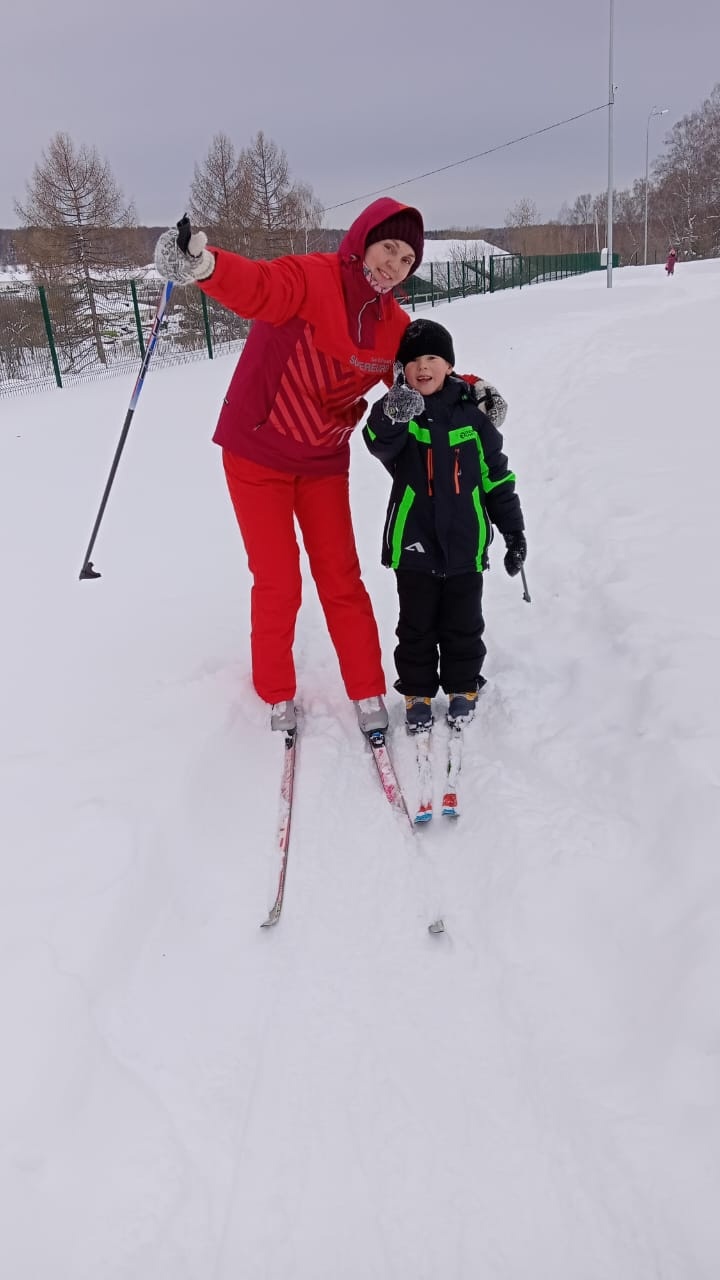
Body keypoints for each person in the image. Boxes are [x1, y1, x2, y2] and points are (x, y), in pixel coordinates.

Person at [154, 202, 507, 737]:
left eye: (408, 258)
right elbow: (259, 287)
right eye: (389, 247)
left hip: (322, 459)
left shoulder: (394, 327)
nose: (394, 264)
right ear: (364, 240)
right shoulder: (310, 278)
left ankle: (366, 688)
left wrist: (472, 393)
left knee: (341, 578)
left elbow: (425, 373)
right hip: (257, 451)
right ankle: (276, 691)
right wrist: (206, 267)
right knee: (279, 580)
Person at [363, 319, 526, 731]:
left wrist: (513, 531)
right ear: (403, 371)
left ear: (449, 365)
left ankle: (462, 685)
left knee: (464, 623)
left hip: (465, 546)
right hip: (414, 544)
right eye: (414, 361)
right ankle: (417, 690)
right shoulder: (403, 415)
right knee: (416, 624)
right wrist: (392, 411)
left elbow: (497, 478)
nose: (423, 367)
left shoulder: (474, 420)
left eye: (432, 358)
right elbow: (377, 441)